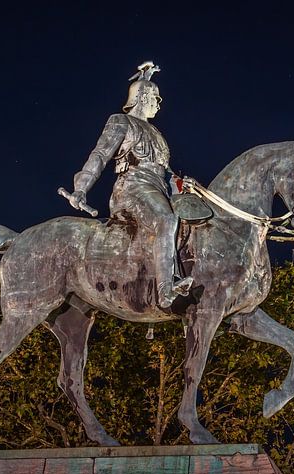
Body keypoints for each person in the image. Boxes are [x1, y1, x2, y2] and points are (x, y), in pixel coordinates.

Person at [67, 61, 193, 308]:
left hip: (159, 189)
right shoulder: (121, 121)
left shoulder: (158, 134)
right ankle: (166, 289)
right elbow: (100, 155)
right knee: (166, 220)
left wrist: (181, 183)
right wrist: (81, 188)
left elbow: (165, 172)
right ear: (142, 97)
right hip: (132, 187)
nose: (159, 104)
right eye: (156, 98)